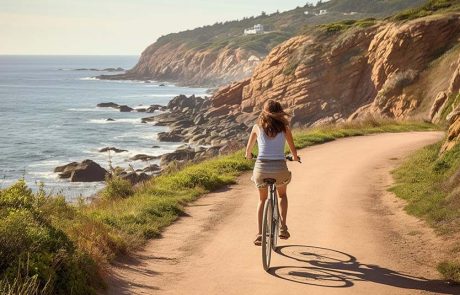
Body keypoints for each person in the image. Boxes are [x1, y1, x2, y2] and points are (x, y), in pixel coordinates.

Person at [245, 99, 300, 246]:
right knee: (282, 195)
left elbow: (248, 151)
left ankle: (260, 234)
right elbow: (293, 152)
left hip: (261, 169)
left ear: (264, 111)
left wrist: (249, 156)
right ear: (280, 112)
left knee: (262, 200)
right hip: (279, 169)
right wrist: (295, 158)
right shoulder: (285, 128)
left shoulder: (257, 127)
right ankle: (283, 227)